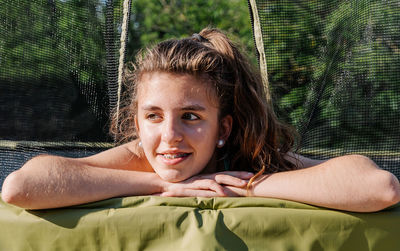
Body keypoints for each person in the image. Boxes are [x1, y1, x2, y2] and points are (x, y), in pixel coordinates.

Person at [2, 28, 399, 212]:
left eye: (190, 116)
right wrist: (159, 183)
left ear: (223, 128)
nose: (169, 136)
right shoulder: (141, 155)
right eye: (153, 116)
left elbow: (379, 187)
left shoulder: (247, 160)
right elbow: (20, 186)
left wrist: (248, 188)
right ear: (137, 124)